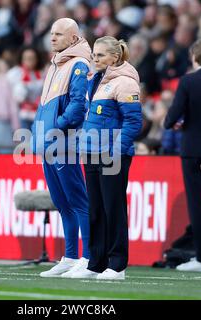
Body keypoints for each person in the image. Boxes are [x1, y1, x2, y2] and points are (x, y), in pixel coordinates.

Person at [76, 36, 142, 280]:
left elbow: (134, 122)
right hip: (92, 153)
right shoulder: (98, 81)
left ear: (115, 57)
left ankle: (117, 265)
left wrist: (116, 150)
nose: (95, 59)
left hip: (112, 154)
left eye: (100, 55)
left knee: (113, 209)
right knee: (96, 209)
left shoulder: (125, 82)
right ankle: (97, 262)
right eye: (94, 54)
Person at [31, 18, 91, 278]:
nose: (52, 38)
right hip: (49, 143)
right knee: (62, 203)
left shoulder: (79, 64)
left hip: (64, 142)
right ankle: (69, 256)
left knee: (78, 202)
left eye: (59, 34)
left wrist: (57, 126)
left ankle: (88, 257)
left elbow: (79, 106)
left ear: (74, 38)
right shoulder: (56, 64)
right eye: (52, 33)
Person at [163, 38, 201, 272]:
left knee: (196, 204)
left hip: (192, 149)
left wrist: (176, 121)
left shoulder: (188, 81)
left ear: (194, 57)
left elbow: (171, 118)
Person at [6, 46, 45, 130]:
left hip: (39, 115)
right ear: (21, 59)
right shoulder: (14, 74)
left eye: (32, 58)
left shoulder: (42, 74)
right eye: (27, 58)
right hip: (21, 115)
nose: (29, 61)